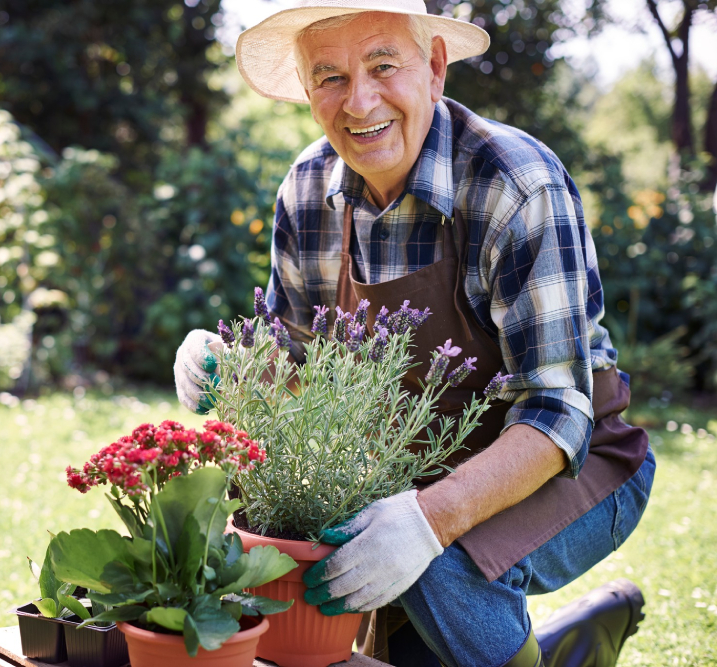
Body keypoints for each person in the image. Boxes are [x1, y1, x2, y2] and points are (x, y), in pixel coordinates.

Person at [174, 1, 654, 666]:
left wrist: (430, 519)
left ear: (433, 68)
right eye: (330, 76)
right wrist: (229, 365)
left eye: (382, 65)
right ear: (308, 90)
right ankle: (578, 642)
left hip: (577, 458)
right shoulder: (308, 192)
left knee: (439, 568)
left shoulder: (515, 182)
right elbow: (294, 372)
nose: (359, 100)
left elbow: (557, 412)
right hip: (412, 473)